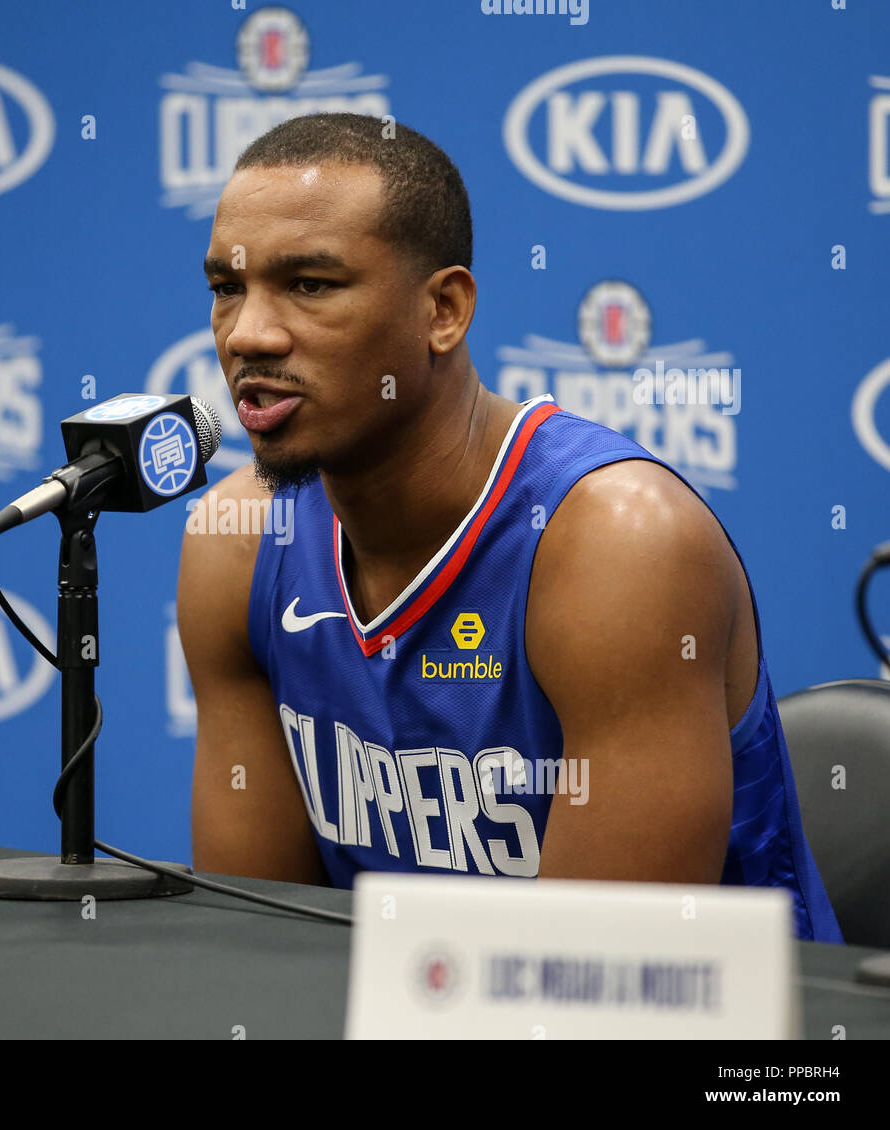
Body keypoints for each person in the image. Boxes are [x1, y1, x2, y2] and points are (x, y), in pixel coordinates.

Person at [177, 112, 842, 943]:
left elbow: (591, 989)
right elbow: (259, 948)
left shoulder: (618, 545)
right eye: (226, 287)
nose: (247, 334)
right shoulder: (238, 544)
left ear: (445, 310)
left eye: (310, 285)